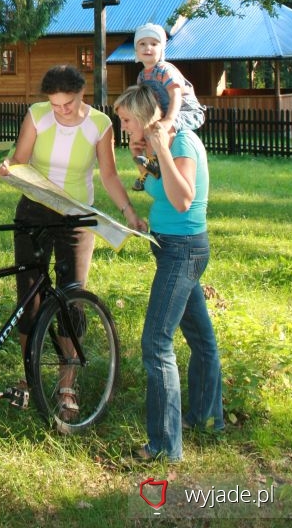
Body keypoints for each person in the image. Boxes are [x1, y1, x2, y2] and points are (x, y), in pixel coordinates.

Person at [3, 64, 146, 417]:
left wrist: (128, 212)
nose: (60, 110)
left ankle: (67, 384)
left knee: (72, 295)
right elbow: (19, 161)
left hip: (77, 216)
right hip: (34, 211)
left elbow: (109, 175)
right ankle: (29, 376)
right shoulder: (37, 115)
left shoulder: (100, 124)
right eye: (54, 104)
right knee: (30, 296)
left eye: (67, 104)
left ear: (81, 95)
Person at [114, 84, 224, 462]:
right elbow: (160, 187)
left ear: (145, 118)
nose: (124, 127)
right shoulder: (163, 144)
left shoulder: (182, 143)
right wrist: (141, 160)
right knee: (199, 337)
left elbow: (183, 199)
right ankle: (207, 417)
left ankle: (164, 446)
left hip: (183, 251)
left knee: (156, 342)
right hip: (172, 249)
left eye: (127, 120)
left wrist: (158, 147)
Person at [134, 23, 206, 135]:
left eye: (154, 44)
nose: (148, 48)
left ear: (162, 49)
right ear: (136, 50)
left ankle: (165, 152)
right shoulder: (142, 76)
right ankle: (148, 152)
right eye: (142, 44)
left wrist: (169, 119)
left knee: (167, 128)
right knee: (146, 130)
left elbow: (175, 95)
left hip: (185, 112)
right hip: (163, 114)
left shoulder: (165, 70)